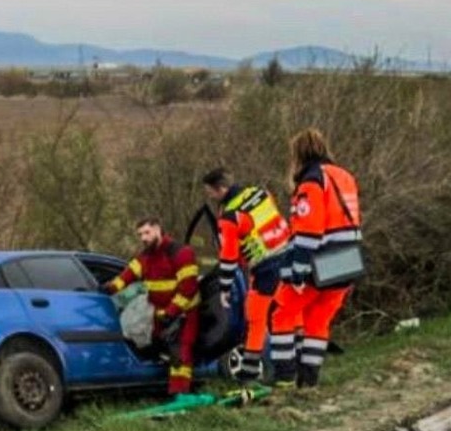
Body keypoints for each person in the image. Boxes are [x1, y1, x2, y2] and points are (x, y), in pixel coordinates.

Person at [270, 128, 362, 388]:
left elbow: (309, 232)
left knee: (282, 313)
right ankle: (309, 381)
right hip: (348, 259)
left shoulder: (311, 181)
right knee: (318, 320)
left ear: (298, 154)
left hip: (320, 259)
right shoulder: (344, 176)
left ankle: (284, 378)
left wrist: (298, 270)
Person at [201, 168, 292, 385]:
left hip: (266, 266)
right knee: (287, 314)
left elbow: (229, 257)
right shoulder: (259, 192)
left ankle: (250, 374)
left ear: (220, 189)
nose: (210, 197)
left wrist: (224, 288)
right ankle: (292, 371)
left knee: (256, 318)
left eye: (211, 193)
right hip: (289, 254)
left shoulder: (229, 216)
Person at [105, 217, 200, 395]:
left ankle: (180, 395)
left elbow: (188, 289)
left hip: (184, 313)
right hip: (160, 314)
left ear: (158, 229)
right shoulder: (145, 257)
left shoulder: (181, 253)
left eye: (147, 233)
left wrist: (172, 312)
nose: (143, 238)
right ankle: (167, 389)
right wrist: (110, 288)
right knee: (157, 347)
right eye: (140, 234)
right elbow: (126, 276)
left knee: (181, 352)